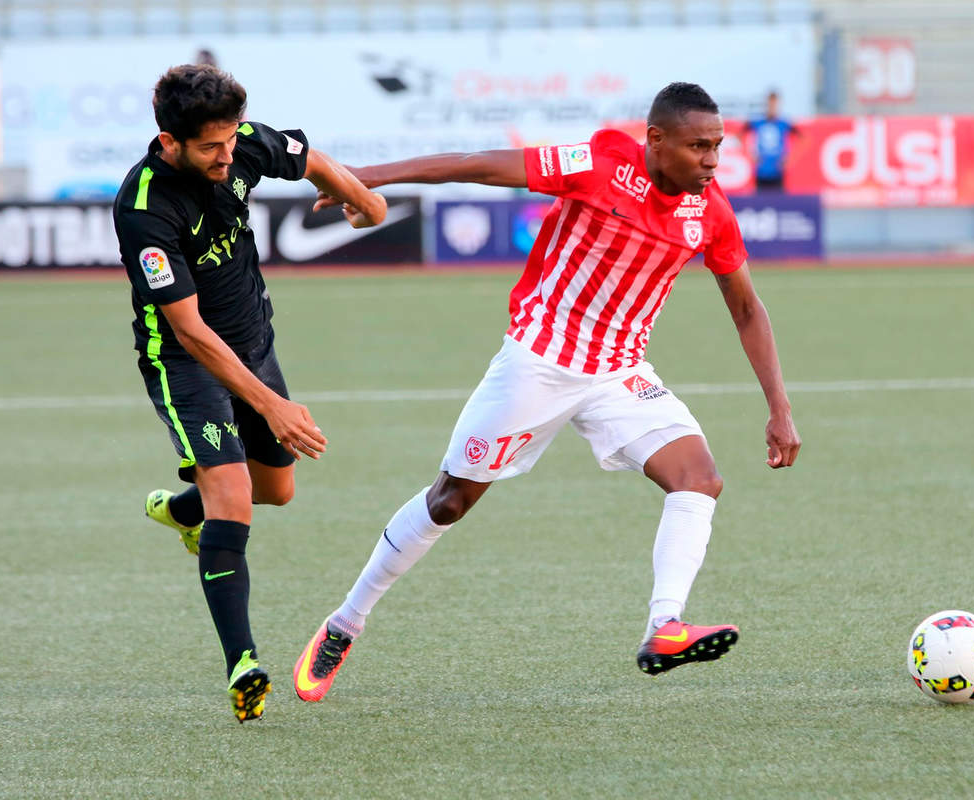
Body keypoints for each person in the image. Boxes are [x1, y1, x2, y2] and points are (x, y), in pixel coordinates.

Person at [293, 82, 801, 702]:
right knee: (450, 501)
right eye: (699, 146)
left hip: (618, 373)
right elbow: (476, 165)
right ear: (656, 140)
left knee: (698, 479)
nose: (712, 160)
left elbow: (747, 309)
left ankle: (664, 626)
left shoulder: (710, 213)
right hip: (538, 362)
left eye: (717, 146)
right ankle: (346, 622)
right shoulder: (598, 166)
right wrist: (362, 177)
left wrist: (779, 408)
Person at [112, 64, 386, 722]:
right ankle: (244, 664)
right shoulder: (144, 209)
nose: (227, 155)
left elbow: (309, 159)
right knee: (235, 498)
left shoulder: (240, 145)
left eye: (231, 139)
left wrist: (365, 201)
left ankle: (186, 511)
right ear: (170, 141)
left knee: (277, 490)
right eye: (211, 147)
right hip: (186, 363)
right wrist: (272, 404)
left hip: (254, 343)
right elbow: (190, 331)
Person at [747, 90, 799, 192]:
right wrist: (750, 154)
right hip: (761, 171)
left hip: (778, 171)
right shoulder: (758, 122)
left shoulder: (784, 123)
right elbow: (740, 135)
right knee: (760, 199)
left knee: (778, 199)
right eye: (770, 104)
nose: (772, 108)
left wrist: (790, 158)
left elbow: (803, 138)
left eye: (774, 105)